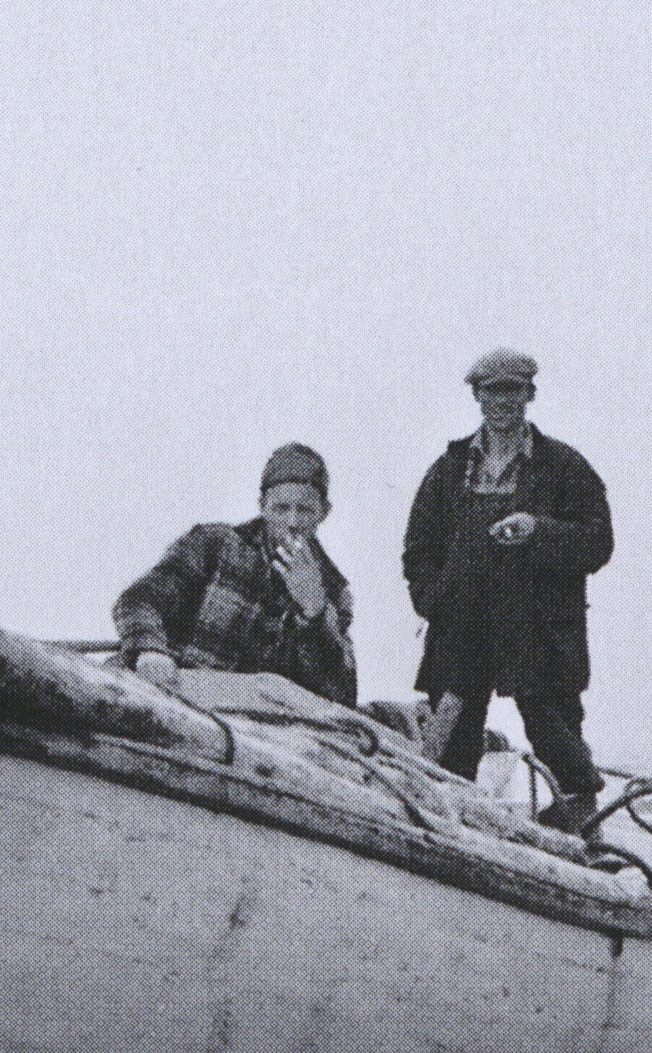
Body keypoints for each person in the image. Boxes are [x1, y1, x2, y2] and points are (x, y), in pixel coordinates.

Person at [403, 349, 614, 830]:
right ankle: (446, 841)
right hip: (462, 630)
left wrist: (539, 529)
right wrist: (437, 603)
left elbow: (599, 543)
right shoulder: (448, 470)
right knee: (446, 759)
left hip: (539, 633)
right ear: (477, 397)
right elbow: (417, 551)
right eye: (491, 391)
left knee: (562, 748)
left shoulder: (565, 466)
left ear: (530, 394)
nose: (502, 401)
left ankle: (583, 840)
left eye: (512, 390)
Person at [114, 443, 358, 706]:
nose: (293, 522)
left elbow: (342, 697)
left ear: (324, 512)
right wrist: (149, 650)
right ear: (262, 506)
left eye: (305, 510)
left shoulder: (334, 590)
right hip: (169, 694)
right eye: (281, 508)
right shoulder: (213, 543)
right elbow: (138, 600)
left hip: (250, 722)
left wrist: (315, 614)